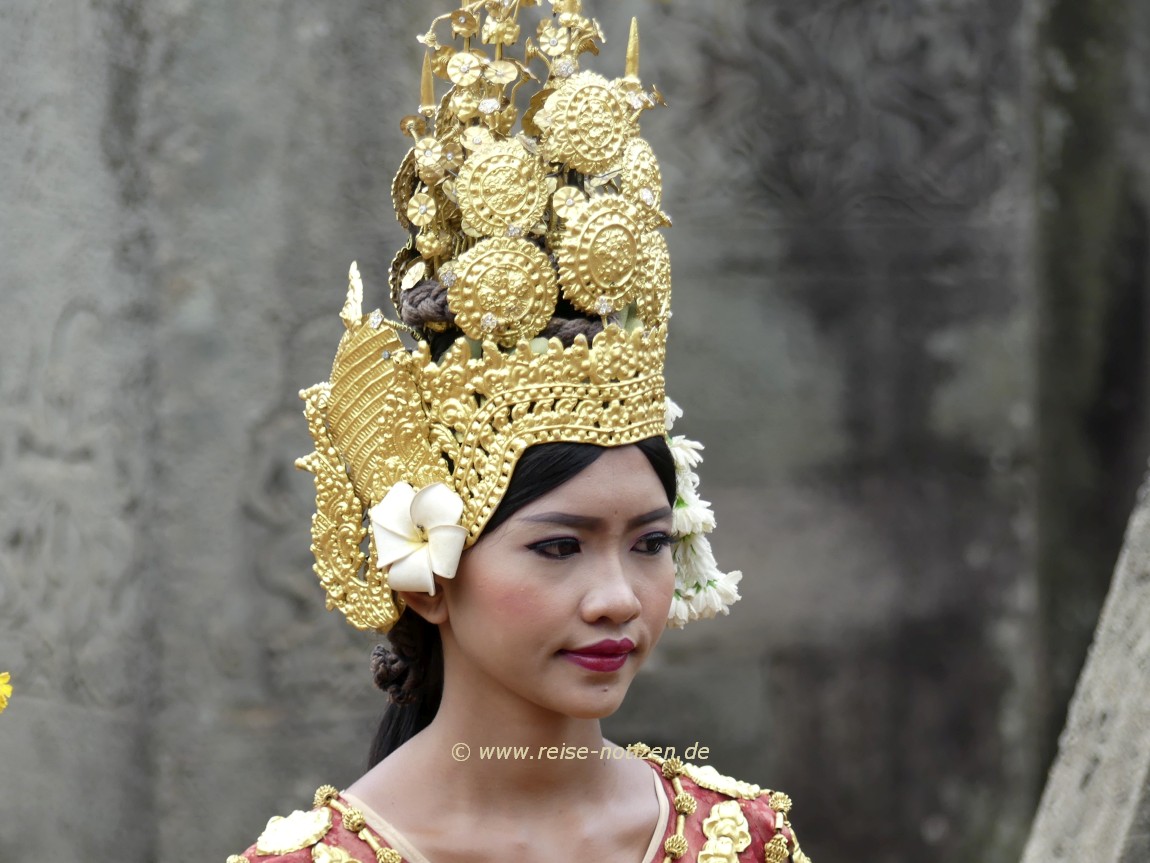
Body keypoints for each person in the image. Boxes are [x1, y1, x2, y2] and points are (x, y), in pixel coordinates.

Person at [227, 3, 811, 862]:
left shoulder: (740, 839)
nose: (618, 597)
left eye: (649, 542)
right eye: (557, 547)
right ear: (426, 577)